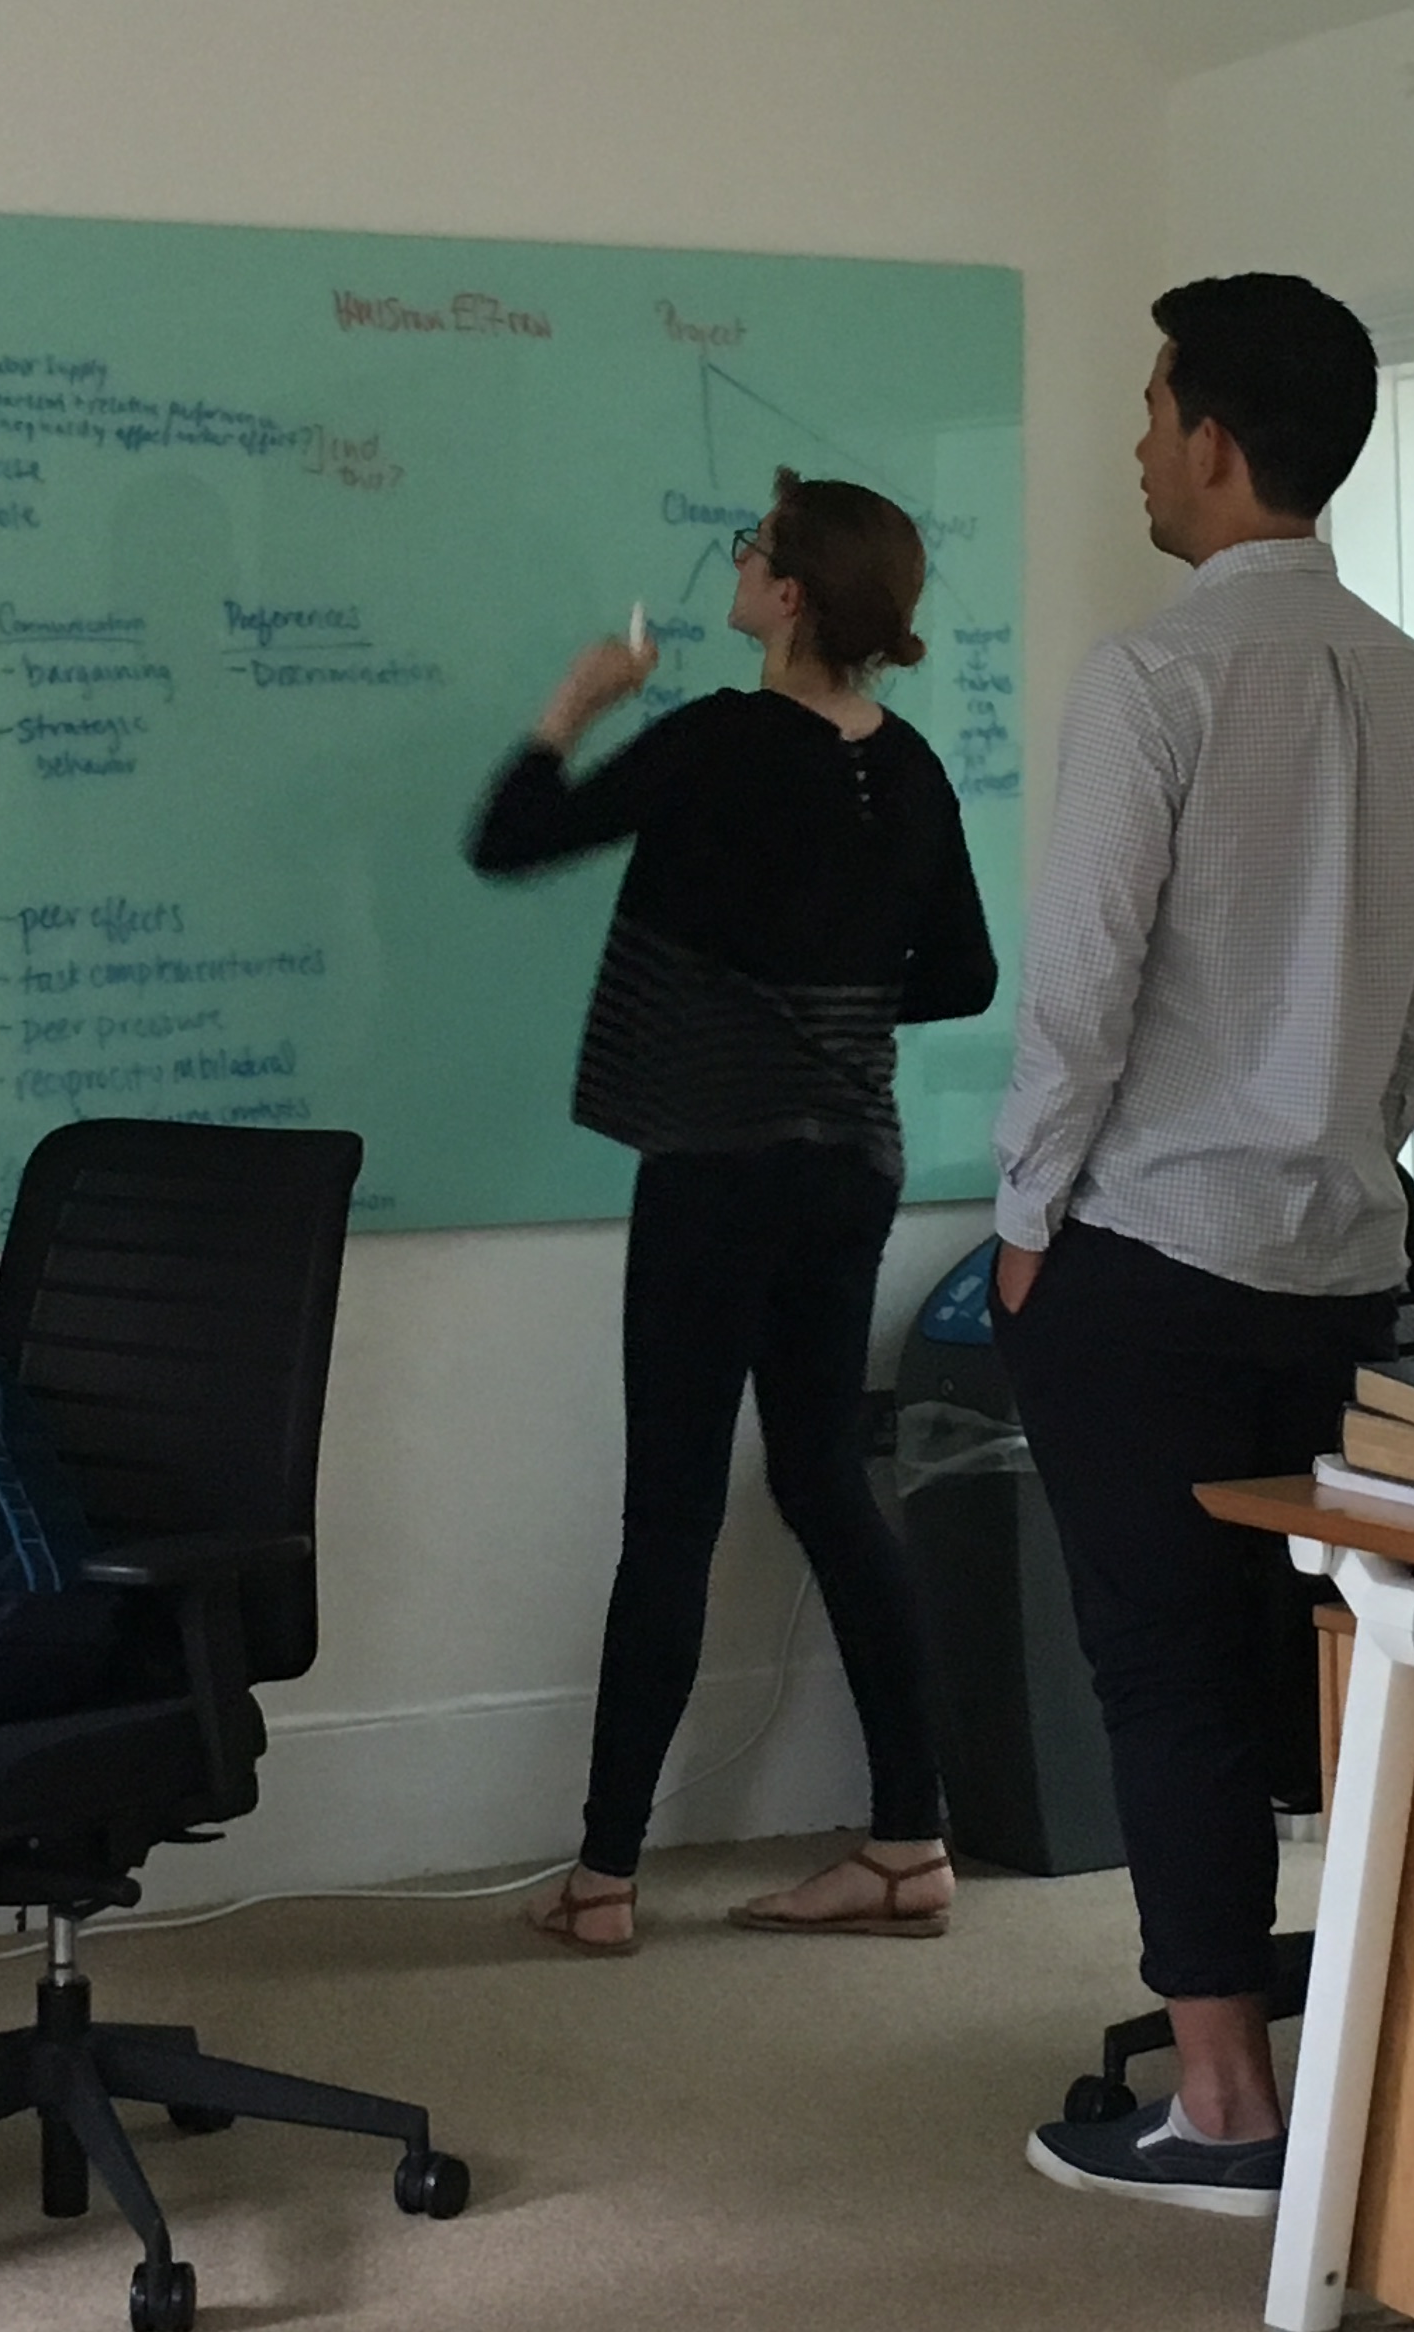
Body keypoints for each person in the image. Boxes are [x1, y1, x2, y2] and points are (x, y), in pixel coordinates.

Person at [995, 274, 1414, 2213]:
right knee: (1336, 1668)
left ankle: (1224, 2101)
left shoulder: (1157, 679)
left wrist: (1026, 1223)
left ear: (1214, 437)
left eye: (1149, 407)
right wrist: (1346, 1151)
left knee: (1165, 1673)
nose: (1133, 443)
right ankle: (1379, 2049)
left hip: (1149, 1259)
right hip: (1348, 1262)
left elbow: (1082, 989)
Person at [468, 470, 1001, 1955]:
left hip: (714, 1167)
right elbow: (962, 976)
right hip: (850, 1164)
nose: (741, 557)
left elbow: (512, 837)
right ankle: (909, 1842)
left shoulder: (710, 739)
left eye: (757, 549)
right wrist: (825, 995)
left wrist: (577, 699)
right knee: (827, 1480)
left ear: (792, 597)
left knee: (674, 1510)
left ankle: (603, 1881)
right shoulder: (908, 770)